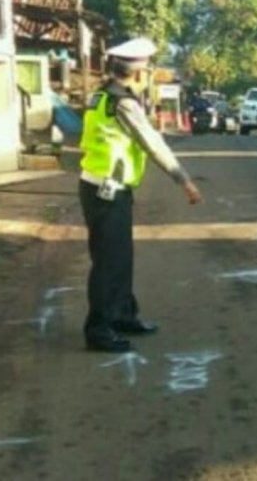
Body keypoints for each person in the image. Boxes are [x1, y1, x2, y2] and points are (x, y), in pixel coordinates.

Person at [79, 37, 203, 353]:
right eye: (146, 69)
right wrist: (184, 181)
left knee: (121, 258)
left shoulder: (102, 95)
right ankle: (99, 329)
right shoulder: (124, 103)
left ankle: (122, 315)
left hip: (104, 187)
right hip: (107, 189)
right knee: (109, 262)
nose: (148, 74)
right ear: (136, 73)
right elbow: (152, 143)